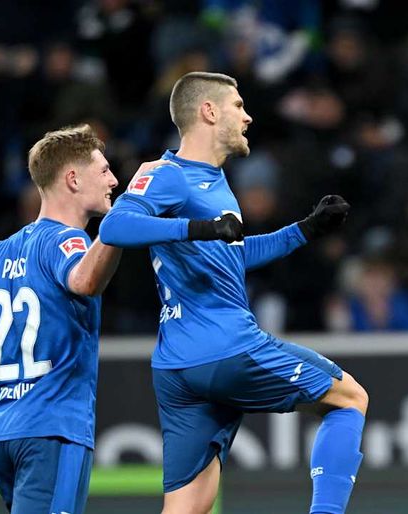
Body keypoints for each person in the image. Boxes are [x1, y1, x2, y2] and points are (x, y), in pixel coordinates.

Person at [99, 72, 368, 514]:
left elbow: (229, 255)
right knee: (350, 398)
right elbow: (114, 227)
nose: (248, 117)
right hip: (224, 347)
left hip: (178, 366)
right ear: (209, 111)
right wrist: (199, 228)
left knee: (188, 507)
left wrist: (305, 229)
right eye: (238, 106)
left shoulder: (214, 180)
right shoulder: (170, 175)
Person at [0, 125, 159, 513]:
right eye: (104, 170)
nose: (113, 180)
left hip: (1, 433)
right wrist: (128, 211)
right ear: (73, 179)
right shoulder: (68, 242)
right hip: (52, 429)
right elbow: (85, 281)